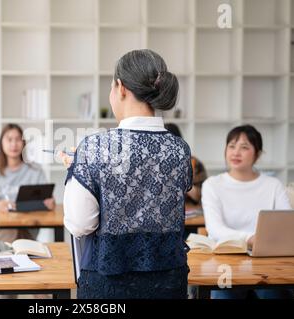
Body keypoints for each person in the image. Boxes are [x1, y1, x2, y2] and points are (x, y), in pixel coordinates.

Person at [61, 49, 193, 299]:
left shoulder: (94, 147)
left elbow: (80, 224)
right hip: (168, 285)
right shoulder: (180, 149)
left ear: (120, 88)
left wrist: (75, 169)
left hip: (109, 287)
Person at [202, 124, 294, 299]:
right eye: (231, 146)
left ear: (257, 154)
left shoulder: (273, 185)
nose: (236, 152)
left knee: (274, 294)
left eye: (244, 147)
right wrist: (250, 239)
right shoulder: (212, 185)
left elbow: (287, 226)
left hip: (267, 262)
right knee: (224, 295)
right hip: (225, 263)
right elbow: (215, 229)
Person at [0, 123, 55, 242]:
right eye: (9, 139)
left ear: (24, 143)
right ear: (1, 143)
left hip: (28, 230)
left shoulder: (35, 170)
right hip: (1, 233)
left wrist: (49, 202)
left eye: (18, 139)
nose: (14, 144)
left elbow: (47, 198)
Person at [164, 123, 207, 206]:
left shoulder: (193, 163)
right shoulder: (152, 163)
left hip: (188, 211)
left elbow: (201, 196)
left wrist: (180, 179)